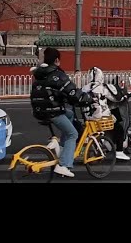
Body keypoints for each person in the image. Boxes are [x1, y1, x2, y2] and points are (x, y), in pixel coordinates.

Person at [30, 47, 90, 178]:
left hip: (39, 111)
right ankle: (63, 165)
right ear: (57, 60)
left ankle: (61, 148)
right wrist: (86, 98)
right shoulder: (57, 75)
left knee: (69, 114)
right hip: (53, 111)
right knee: (72, 134)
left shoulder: (39, 74)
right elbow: (72, 92)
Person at [82, 66, 130, 161]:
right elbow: (116, 98)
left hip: (89, 117)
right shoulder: (103, 88)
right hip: (102, 117)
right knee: (119, 128)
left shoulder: (84, 88)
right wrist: (124, 97)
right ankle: (119, 151)